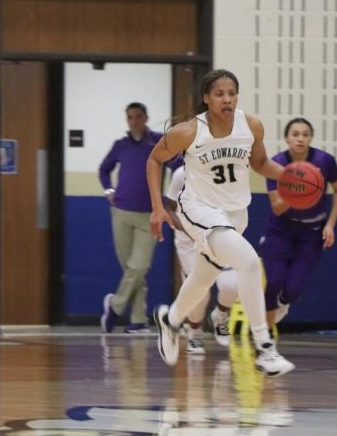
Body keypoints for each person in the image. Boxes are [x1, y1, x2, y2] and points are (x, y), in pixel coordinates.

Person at [147, 69, 294, 375]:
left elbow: (261, 164)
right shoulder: (188, 131)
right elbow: (154, 159)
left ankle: (171, 320)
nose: (227, 99)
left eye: (231, 93)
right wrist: (158, 207)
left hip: (235, 214)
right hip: (199, 210)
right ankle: (265, 348)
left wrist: (290, 176)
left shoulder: (251, 125)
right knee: (250, 263)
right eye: (219, 94)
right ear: (206, 98)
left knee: (204, 277)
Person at [209, 118, 337, 334]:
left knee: (292, 290)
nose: (300, 138)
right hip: (281, 230)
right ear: (287, 138)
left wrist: (331, 224)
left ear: (310, 137)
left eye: (305, 134)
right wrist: (298, 188)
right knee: (273, 283)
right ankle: (265, 344)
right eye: (295, 134)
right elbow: (277, 208)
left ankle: (284, 303)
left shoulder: (324, 161)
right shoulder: (276, 163)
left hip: (311, 232)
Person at [99, 102, 178, 333]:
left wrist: (171, 198)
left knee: (139, 266)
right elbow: (104, 169)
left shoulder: (158, 142)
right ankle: (138, 320)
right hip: (121, 212)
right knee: (131, 269)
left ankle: (114, 307)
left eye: (139, 116)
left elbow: (178, 167)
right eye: (130, 117)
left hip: (149, 215)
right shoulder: (120, 145)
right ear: (127, 120)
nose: (134, 120)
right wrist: (108, 190)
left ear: (146, 118)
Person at [162, 165, 231, 355]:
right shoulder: (181, 174)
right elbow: (169, 209)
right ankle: (194, 331)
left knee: (232, 284)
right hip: (188, 240)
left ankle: (221, 315)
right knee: (201, 291)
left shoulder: (228, 169)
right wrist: (191, 231)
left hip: (220, 234)